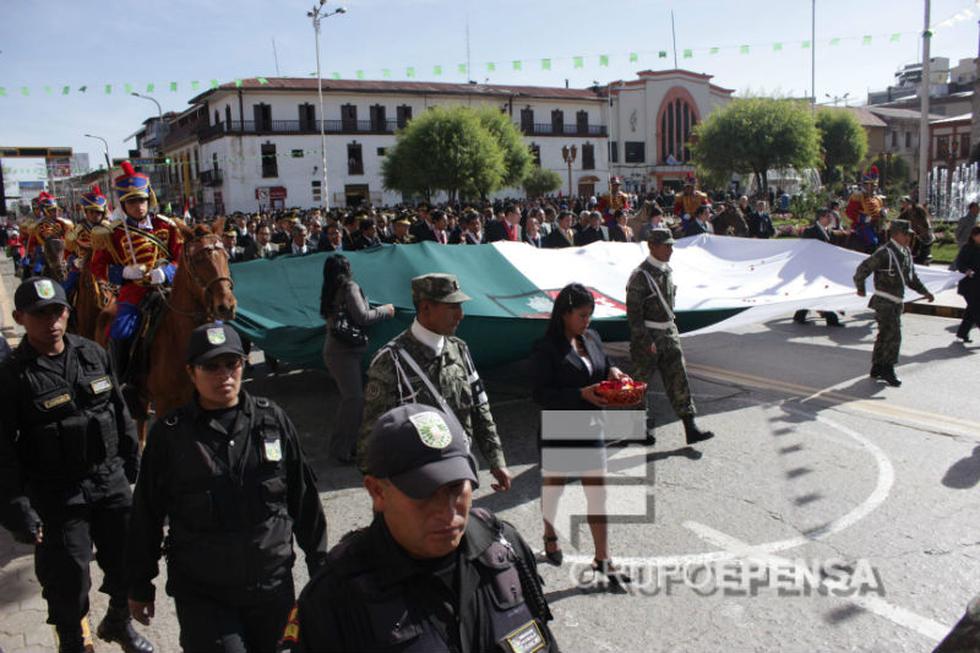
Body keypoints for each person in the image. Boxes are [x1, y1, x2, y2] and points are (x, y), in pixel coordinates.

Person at [280, 403, 558, 652]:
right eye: (424, 492)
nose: (447, 511)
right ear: (377, 491)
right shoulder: (335, 598)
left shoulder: (504, 549)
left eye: (455, 487)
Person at [125, 321, 328, 653]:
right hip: (205, 595)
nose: (224, 375)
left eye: (231, 363)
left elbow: (303, 498)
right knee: (127, 328)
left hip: (272, 587)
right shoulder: (170, 435)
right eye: (211, 366)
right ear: (191, 372)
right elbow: (146, 513)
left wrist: (320, 564)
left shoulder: (272, 420)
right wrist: (140, 583)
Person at [0, 277, 152, 653]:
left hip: (108, 479)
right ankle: (71, 641)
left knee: (128, 560)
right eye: (40, 314)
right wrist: (17, 508)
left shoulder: (92, 353)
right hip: (56, 493)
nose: (51, 322)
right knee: (67, 576)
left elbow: (119, 409)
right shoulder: (11, 375)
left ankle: (118, 621)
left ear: (68, 313)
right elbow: (2, 450)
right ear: (19, 318)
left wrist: (131, 461)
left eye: (58, 312)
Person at [359, 273, 513, 492]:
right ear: (425, 308)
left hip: (460, 474)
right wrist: (383, 494)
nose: (460, 315)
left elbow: (480, 408)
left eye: (460, 306)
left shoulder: (459, 349)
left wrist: (496, 460)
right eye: (452, 307)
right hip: (417, 486)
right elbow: (372, 437)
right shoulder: (391, 361)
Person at [530, 283, 634, 585]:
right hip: (560, 427)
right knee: (555, 489)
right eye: (582, 315)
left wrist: (613, 372)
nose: (587, 321)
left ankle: (603, 558)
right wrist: (580, 394)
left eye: (590, 315)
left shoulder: (592, 337)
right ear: (564, 314)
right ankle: (550, 535)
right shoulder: (546, 348)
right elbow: (540, 394)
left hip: (591, 426)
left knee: (598, 495)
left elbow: (603, 364)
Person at [89, 161, 182, 381]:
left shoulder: (167, 226)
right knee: (120, 331)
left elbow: (182, 258)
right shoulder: (112, 233)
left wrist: (167, 272)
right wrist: (123, 273)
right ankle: (122, 381)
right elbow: (97, 267)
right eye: (131, 202)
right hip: (135, 292)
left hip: (170, 288)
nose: (138, 206)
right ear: (123, 204)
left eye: (141, 200)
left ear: (149, 200)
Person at [626, 229, 714, 445]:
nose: (670, 250)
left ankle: (690, 427)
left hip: (668, 333)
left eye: (671, 245)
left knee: (679, 379)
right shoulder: (640, 276)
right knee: (640, 384)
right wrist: (646, 341)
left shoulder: (666, 270)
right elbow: (634, 316)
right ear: (652, 246)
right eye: (666, 246)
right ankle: (638, 429)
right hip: (649, 337)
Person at [320, 255, 395, 463]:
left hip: (337, 352)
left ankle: (352, 446)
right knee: (354, 400)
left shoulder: (330, 290)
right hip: (344, 353)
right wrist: (385, 311)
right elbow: (363, 317)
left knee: (354, 400)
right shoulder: (350, 288)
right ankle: (340, 450)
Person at [853, 219, 935, 387]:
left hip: (896, 302)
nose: (909, 238)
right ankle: (888, 369)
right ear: (896, 234)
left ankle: (877, 366)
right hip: (884, 301)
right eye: (906, 235)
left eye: (909, 235)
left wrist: (924, 292)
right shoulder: (885, 253)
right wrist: (861, 288)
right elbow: (863, 269)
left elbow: (911, 278)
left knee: (884, 335)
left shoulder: (905, 252)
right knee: (894, 336)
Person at [793, 210, 843, 327]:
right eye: (828, 217)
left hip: (825, 267)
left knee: (816, 291)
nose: (830, 219)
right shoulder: (810, 231)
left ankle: (800, 314)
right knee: (820, 291)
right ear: (820, 218)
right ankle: (831, 318)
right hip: (812, 268)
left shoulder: (829, 231)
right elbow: (804, 249)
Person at [845, 166, 887, 253]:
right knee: (873, 241)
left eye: (873, 185)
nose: (870, 187)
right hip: (861, 226)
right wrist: (862, 218)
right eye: (868, 184)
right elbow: (848, 213)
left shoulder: (878, 198)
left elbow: (878, 212)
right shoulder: (857, 196)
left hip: (876, 225)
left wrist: (882, 213)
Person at [953, 225, 980, 343]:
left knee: (971, 311)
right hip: (969, 285)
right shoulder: (967, 248)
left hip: (978, 285)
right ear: (974, 236)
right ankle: (962, 333)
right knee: (977, 310)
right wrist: (966, 270)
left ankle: (962, 333)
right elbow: (959, 263)